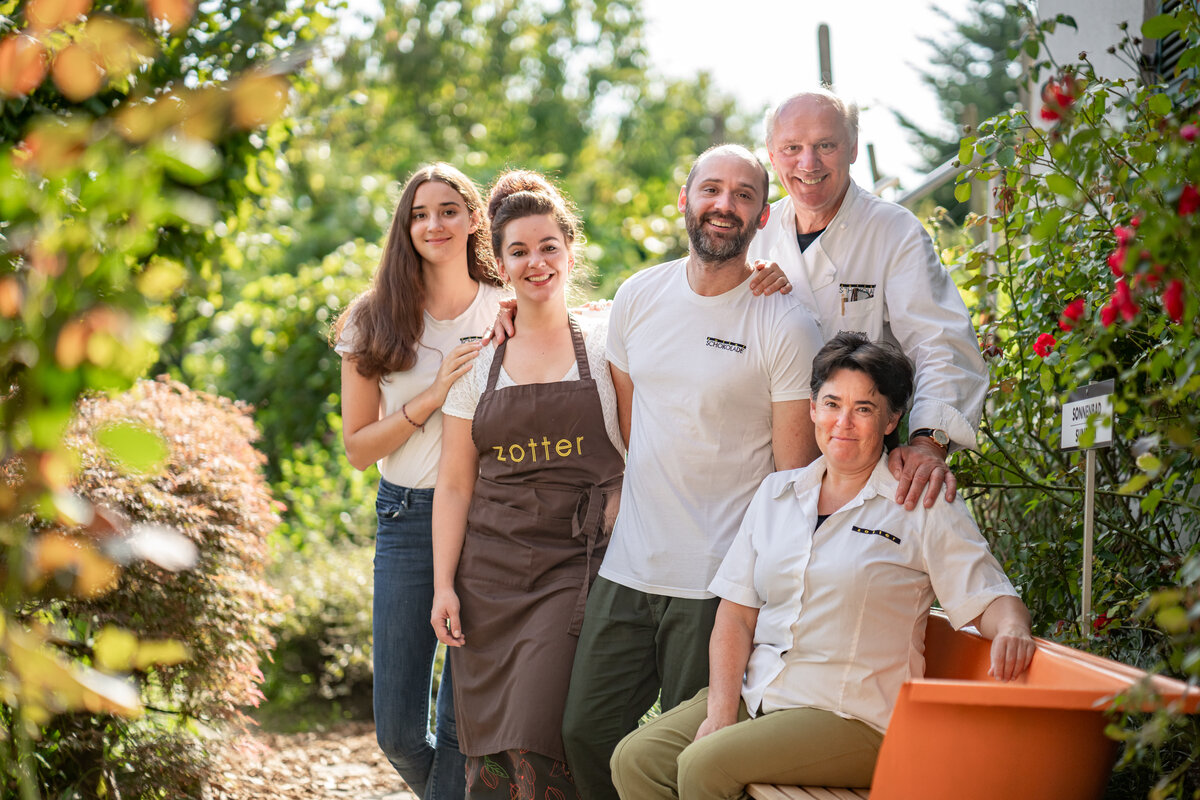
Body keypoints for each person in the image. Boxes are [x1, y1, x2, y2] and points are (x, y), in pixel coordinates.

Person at [609, 332, 1035, 800]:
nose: (843, 422)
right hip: (762, 697)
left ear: (893, 419)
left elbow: (989, 596)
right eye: (831, 403)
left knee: (704, 766)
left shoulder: (919, 503)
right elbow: (735, 615)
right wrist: (720, 711)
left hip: (851, 717)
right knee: (637, 760)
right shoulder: (776, 494)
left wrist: (1012, 628)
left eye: (864, 408)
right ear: (812, 408)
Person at [561, 144, 825, 800]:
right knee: (584, 733)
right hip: (630, 566)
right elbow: (629, 425)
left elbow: (795, 474)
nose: (724, 205)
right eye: (711, 189)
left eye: (743, 195)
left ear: (763, 216)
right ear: (684, 200)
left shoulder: (785, 323)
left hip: (718, 585)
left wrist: (766, 588)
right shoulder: (638, 296)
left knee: (691, 763)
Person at [431, 170, 625, 800]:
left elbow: (641, 450)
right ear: (500, 263)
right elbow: (456, 486)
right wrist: (443, 587)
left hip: (572, 567)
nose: (536, 262)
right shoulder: (475, 361)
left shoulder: (608, 345)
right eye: (519, 251)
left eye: (548, 247)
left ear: (570, 252)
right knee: (488, 748)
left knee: (540, 731)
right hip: (488, 574)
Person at [335, 162, 507, 800]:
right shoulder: (374, 318)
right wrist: (432, 397)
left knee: (463, 729)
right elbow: (357, 449)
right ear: (405, 228)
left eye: (448, 210)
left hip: (491, 522)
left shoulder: (505, 306)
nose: (434, 223)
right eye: (419, 213)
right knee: (399, 734)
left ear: (473, 221)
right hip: (407, 519)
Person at [747, 89, 989, 511]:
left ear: (853, 148)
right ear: (771, 153)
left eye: (826, 145)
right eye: (792, 148)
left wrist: (929, 444)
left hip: (865, 466)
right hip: (761, 468)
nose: (808, 164)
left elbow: (942, 343)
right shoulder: (753, 231)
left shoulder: (894, 231)